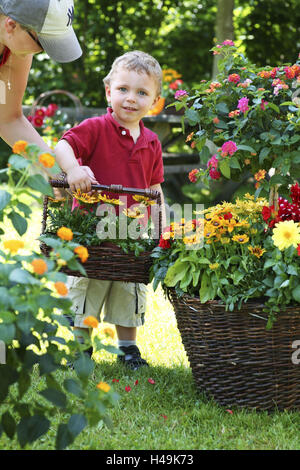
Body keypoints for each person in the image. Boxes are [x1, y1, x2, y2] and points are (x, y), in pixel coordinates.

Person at [54, 50, 166, 370]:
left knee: (128, 288)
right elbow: (63, 145)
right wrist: (73, 170)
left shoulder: (151, 142)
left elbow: (154, 188)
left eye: (142, 93)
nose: (131, 99)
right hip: (90, 229)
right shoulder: (95, 128)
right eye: (123, 89)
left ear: (155, 101)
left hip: (131, 232)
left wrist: (161, 227)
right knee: (87, 285)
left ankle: (128, 348)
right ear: (108, 91)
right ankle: (80, 348)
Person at [0, 0, 82, 150]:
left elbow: (8, 120)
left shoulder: (14, 50)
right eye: (43, 44)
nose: (43, 52)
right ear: (11, 25)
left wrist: (60, 172)